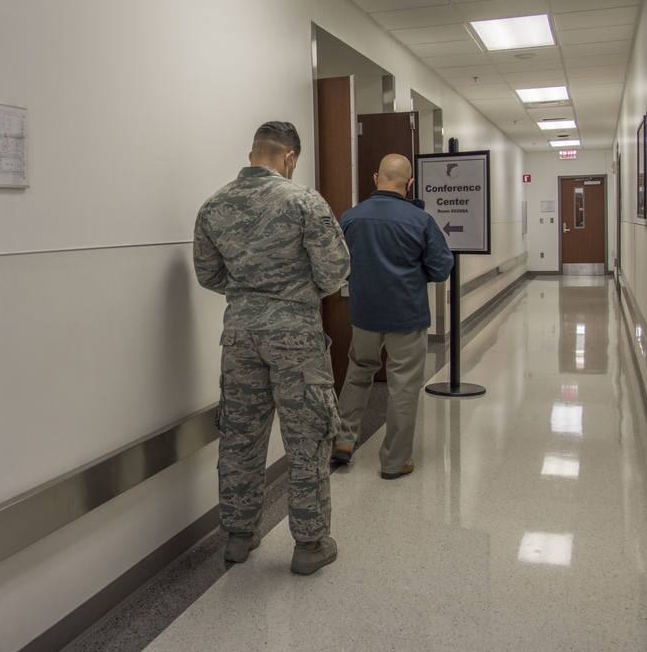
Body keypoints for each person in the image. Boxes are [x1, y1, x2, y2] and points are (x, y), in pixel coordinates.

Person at [193, 121, 350, 575]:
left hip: (240, 336)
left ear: (252, 155)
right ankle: (309, 544)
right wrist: (294, 295)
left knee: (240, 436)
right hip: (295, 337)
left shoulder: (214, 205)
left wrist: (249, 294)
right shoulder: (303, 200)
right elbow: (337, 271)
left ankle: (238, 537)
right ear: (290, 158)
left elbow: (209, 275)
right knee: (307, 439)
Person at [331, 154, 454, 479]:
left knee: (358, 374)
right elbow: (441, 269)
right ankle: (394, 461)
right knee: (402, 386)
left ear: (375, 178)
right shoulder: (420, 220)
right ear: (409, 183)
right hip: (406, 317)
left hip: (364, 315)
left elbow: (337, 265)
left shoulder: (351, 218)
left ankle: (343, 441)